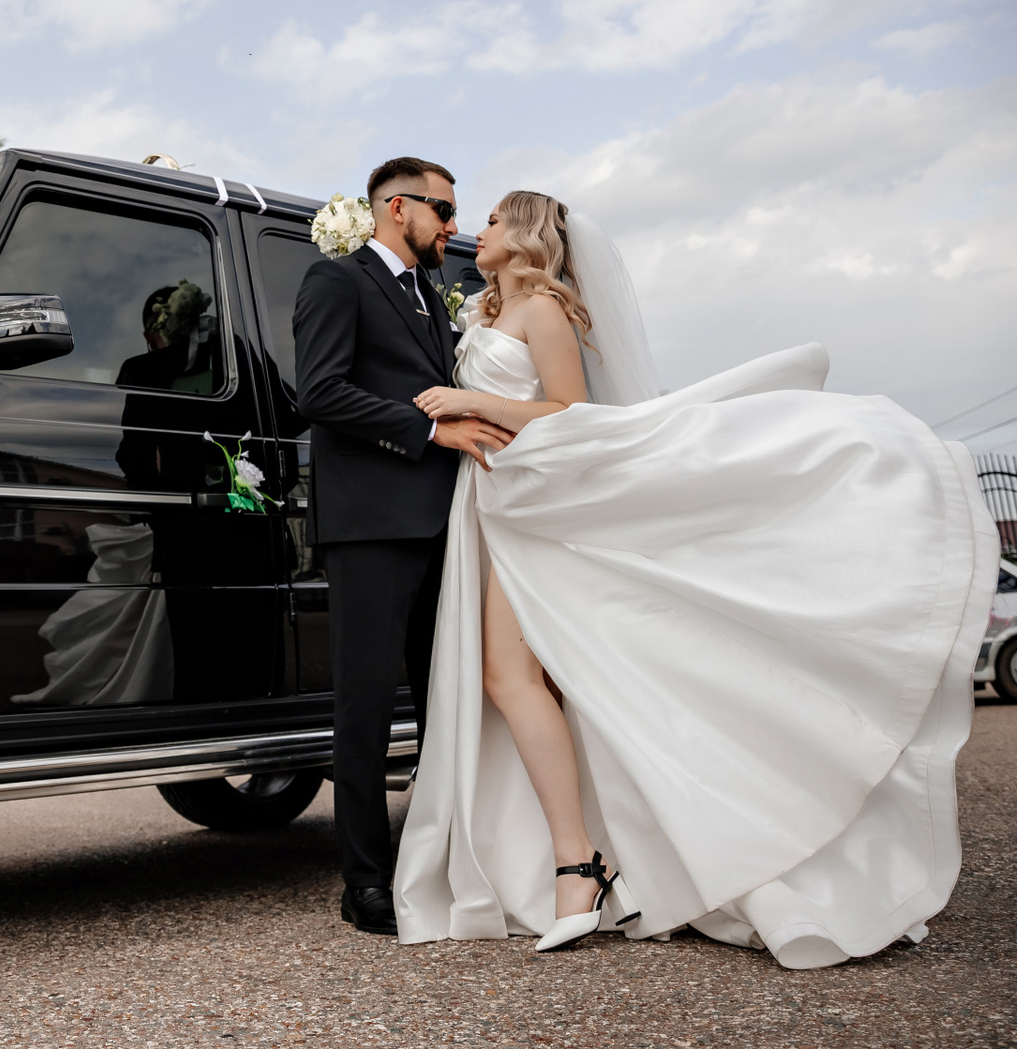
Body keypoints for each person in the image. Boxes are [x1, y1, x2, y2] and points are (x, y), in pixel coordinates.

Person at [392, 190, 995, 965]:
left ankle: (581, 865)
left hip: (536, 505)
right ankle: (584, 859)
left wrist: (471, 400)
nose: (481, 229)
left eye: (497, 220)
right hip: (491, 502)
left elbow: (571, 410)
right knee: (519, 680)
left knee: (511, 678)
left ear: (529, 233)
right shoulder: (483, 312)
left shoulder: (543, 308)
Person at [292, 157, 516, 936]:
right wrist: (429, 431)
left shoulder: (430, 293)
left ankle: (442, 860)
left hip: (444, 523)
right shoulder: (337, 280)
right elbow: (319, 392)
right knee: (364, 705)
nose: (454, 226)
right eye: (444, 211)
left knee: (442, 698)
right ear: (397, 207)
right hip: (372, 526)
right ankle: (364, 880)